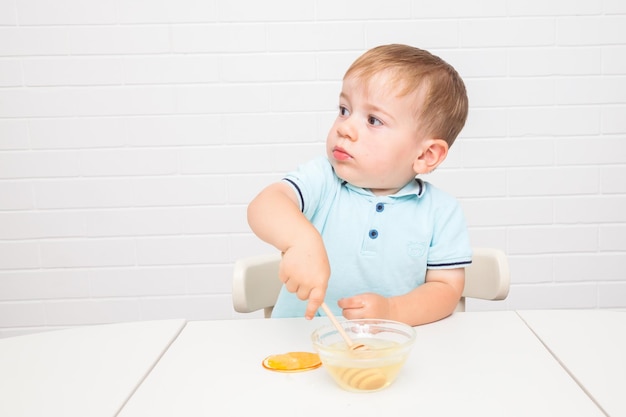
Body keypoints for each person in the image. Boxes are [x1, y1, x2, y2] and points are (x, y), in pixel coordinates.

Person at [247, 44, 472, 326]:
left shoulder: (441, 212)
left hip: (382, 354)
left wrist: (393, 311)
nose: (345, 127)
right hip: (298, 350)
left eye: (373, 120)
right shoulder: (324, 179)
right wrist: (301, 241)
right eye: (344, 109)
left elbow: (447, 290)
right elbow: (265, 205)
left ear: (426, 155)